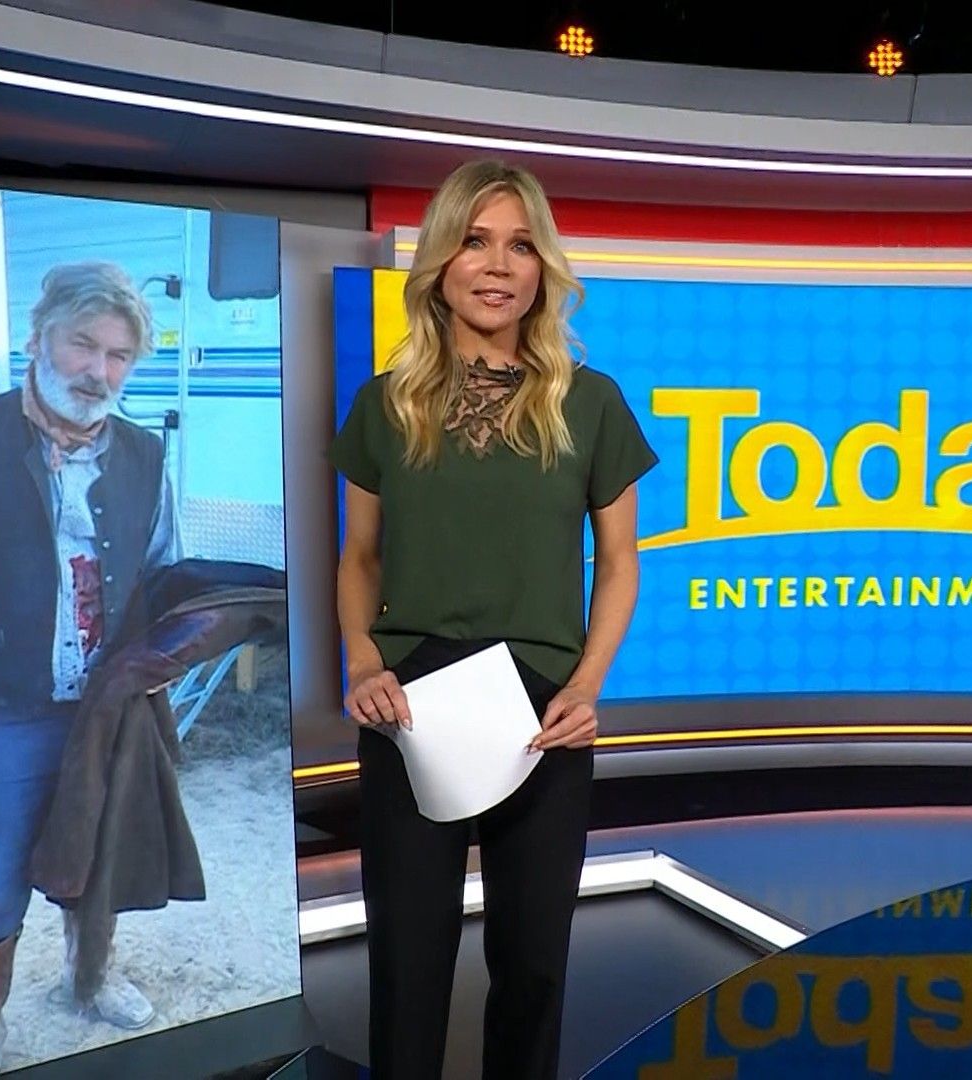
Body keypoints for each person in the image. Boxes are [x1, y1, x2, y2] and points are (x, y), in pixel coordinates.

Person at [326, 159, 658, 1080]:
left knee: (534, 962)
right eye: (475, 241)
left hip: (545, 709)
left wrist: (587, 687)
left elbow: (620, 563)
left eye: (520, 245)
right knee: (407, 961)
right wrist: (362, 662)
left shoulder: (591, 402)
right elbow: (359, 557)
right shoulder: (385, 404)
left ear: (543, 268)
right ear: (440, 261)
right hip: (411, 704)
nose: (498, 265)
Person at [0, 260, 181, 1079]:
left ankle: (89, 981)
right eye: (83, 344)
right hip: (1, 707)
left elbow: (164, 571)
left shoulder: (145, 454)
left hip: (106, 709)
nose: (99, 370)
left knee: (99, 853)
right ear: (37, 339)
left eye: (119, 355)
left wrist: (166, 658)